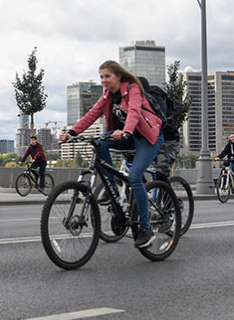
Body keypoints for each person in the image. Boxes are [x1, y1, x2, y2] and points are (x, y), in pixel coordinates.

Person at [60, 60, 164, 249]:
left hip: (147, 137)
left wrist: (126, 131)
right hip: (127, 135)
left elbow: (133, 111)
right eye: (101, 77)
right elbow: (92, 114)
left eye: (107, 76)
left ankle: (145, 228)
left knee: (134, 177)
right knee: (99, 144)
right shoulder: (108, 95)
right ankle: (113, 190)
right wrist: (72, 132)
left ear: (118, 76)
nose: (103, 80)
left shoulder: (132, 88)